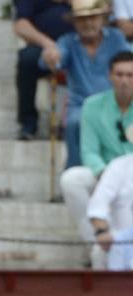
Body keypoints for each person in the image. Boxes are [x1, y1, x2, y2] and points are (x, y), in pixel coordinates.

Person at [41, 0, 130, 170]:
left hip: (113, 102)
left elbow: (129, 58)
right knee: (75, 122)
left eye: (93, 18)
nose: (88, 23)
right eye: (82, 19)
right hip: (80, 105)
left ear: (102, 19)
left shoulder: (116, 38)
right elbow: (53, 59)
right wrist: (51, 56)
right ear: (74, 22)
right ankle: (75, 170)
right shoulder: (67, 41)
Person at [60, 51, 133, 249]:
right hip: (104, 172)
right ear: (110, 76)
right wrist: (107, 175)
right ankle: (95, 241)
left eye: (130, 75)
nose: (125, 81)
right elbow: (89, 151)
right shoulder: (92, 105)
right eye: (119, 74)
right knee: (71, 179)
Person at [15, 0, 75, 140]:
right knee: (26, 60)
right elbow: (20, 25)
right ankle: (28, 123)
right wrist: (49, 44)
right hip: (43, 45)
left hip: (78, 44)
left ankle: (74, 121)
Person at [87, 150, 133, 267]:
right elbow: (97, 207)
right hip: (120, 241)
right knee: (99, 251)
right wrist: (102, 232)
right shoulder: (119, 166)